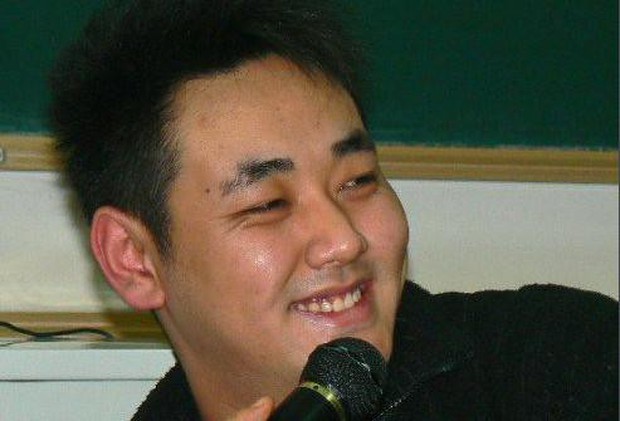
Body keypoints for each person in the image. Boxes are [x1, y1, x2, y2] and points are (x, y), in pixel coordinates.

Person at [50, 0, 617, 419]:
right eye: (269, 204)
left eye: (358, 180)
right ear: (134, 260)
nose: (343, 240)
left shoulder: (563, 362)